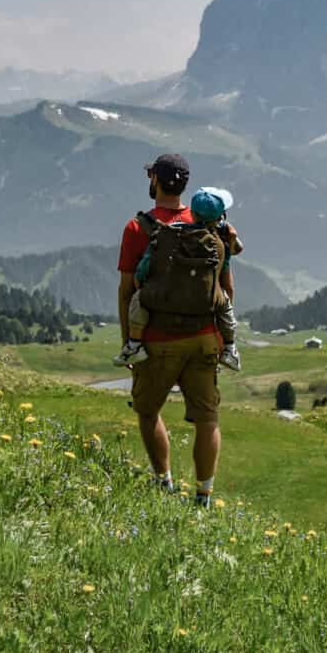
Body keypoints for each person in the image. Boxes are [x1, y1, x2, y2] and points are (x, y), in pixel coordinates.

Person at [116, 153, 237, 507]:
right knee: (207, 418)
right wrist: (223, 335)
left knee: (148, 411)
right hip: (204, 338)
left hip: (156, 339)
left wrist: (129, 341)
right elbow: (225, 287)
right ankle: (203, 496)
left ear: (154, 179)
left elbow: (127, 290)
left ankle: (164, 484)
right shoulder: (208, 222)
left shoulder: (138, 228)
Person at [115, 185, 243, 371]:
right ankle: (230, 349)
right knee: (224, 303)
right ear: (219, 217)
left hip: (160, 331)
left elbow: (141, 272)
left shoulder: (168, 235)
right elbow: (228, 287)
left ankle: (133, 345)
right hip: (202, 333)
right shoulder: (219, 243)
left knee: (139, 300)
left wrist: (141, 286)